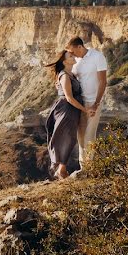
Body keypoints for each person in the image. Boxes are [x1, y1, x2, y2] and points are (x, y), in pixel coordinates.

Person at [44, 50, 88, 179]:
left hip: (71, 109)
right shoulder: (64, 76)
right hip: (66, 108)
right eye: (71, 56)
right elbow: (69, 98)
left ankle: (61, 169)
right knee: (67, 137)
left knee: (69, 138)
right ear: (64, 61)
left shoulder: (71, 74)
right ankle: (61, 169)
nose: (74, 57)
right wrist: (85, 110)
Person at [66, 36, 108, 167]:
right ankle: (84, 167)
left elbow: (103, 81)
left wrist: (96, 104)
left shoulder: (97, 56)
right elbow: (69, 77)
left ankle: (91, 167)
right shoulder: (75, 62)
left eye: (73, 51)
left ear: (80, 47)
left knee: (90, 135)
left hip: (94, 102)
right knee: (81, 136)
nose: (72, 54)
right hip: (80, 103)